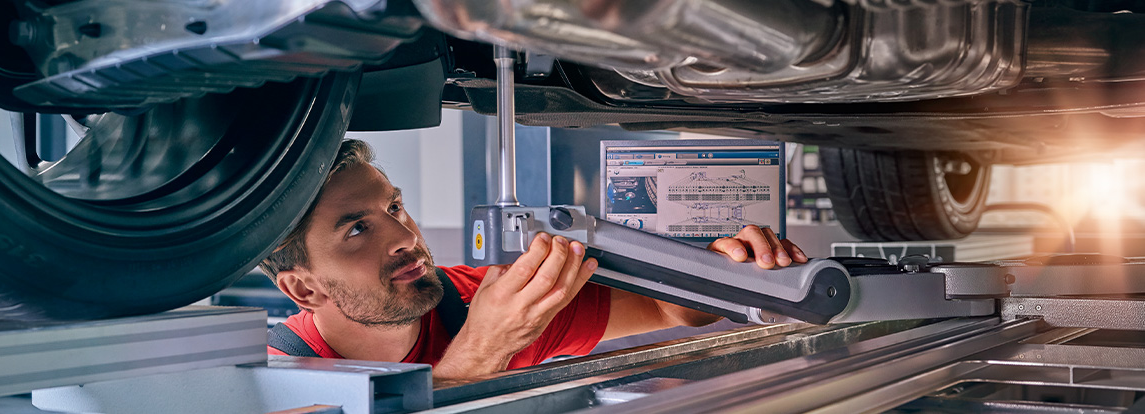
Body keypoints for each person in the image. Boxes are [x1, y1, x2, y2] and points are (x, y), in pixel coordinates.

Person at [259, 139, 808, 379]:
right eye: (357, 229)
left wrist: (723, 271)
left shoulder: (482, 300)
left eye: (395, 207)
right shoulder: (276, 379)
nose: (405, 236)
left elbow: (667, 310)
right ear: (304, 289)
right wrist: (485, 348)